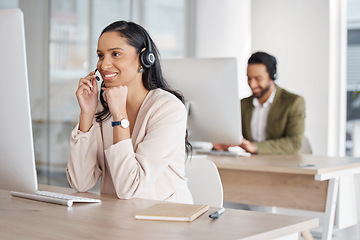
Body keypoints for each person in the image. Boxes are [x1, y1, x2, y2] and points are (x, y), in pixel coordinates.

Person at [66, 20, 193, 204]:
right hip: (115, 219)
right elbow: (80, 182)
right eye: (101, 56)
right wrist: (86, 114)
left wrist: (120, 117)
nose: (104, 65)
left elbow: (129, 187)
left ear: (143, 58)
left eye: (115, 54)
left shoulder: (168, 109)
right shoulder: (102, 108)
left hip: (163, 222)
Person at [213, 52, 305, 154]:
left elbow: (294, 143)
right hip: (250, 164)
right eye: (249, 78)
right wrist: (224, 143)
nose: (252, 84)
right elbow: (233, 134)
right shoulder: (243, 104)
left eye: (258, 79)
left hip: (281, 165)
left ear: (272, 76)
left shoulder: (293, 102)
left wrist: (255, 147)